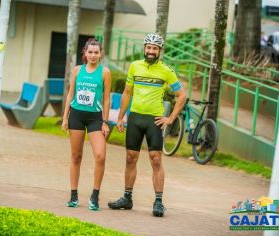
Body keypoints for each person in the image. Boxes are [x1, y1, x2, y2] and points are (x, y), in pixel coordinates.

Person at [107, 33, 187, 217]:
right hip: (135, 118)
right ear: (144, 48)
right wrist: (120, 118)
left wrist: (170, 118)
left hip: (154, 120)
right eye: (148, 47)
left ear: (159, 51)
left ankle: (158, 202)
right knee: (130, 157)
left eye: (155, 48)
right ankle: (127, 198)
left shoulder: (166, 71)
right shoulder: (135, 66)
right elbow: (127, 92)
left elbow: (181, 96)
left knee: (156, 159)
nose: (151, 51)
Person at [62, 38, 111, 211]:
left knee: (100, 155)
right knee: (76, 156)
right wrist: (65, 118)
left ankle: (95, 195)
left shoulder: (105, 72)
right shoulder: (77, 70)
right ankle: (74, 195)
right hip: (76, 115)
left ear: (100, 54)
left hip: (95, 118)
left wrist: (105, 121)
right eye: (90, 52)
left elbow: (106, 98)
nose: (93, 55)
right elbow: (70, 95)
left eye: (96, 52)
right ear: (85, 53)